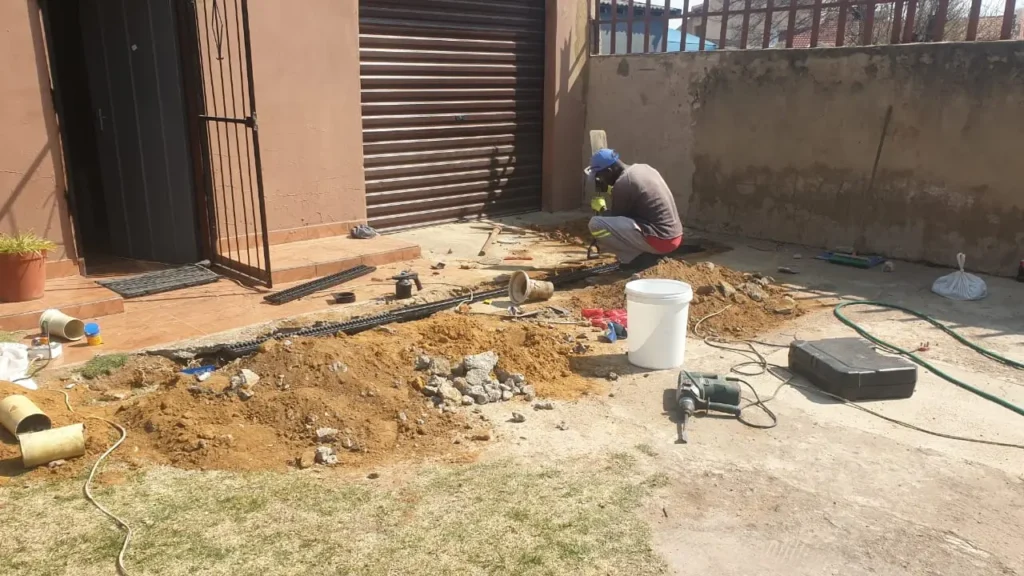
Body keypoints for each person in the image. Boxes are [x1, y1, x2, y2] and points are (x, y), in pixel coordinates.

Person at [587, 149, 682, 268]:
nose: (601, 180)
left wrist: (602, 209)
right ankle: (644, 254)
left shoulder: (623, 183)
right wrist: (614, 191)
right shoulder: (644, 168)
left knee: (596, 224)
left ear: (609, 171)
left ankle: (633, 259)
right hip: (674, 235)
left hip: (661, 241)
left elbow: (616, 218)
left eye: (600, 177)